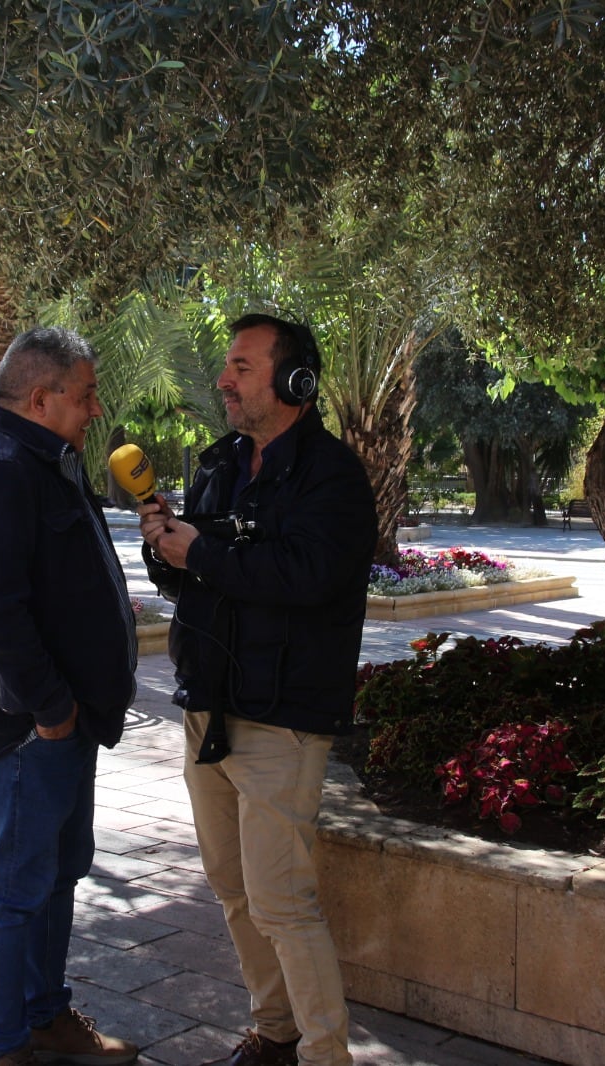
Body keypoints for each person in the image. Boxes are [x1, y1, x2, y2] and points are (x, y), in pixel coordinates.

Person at [138, 314, 375, 1066]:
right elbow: (200, 578)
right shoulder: (219, 463)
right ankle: (275, 1036)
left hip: (282, 716)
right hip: (209, 705)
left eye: (241, 365)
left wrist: (203, 552)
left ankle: (324, 1054)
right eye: (227, 365)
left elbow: (306, 577)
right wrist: (169, 549)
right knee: (233, 890)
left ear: (294, 382)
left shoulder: (333, 476)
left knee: (280, 900)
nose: (224, 380)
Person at [0, 327, 141, 1066]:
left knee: (57, 874)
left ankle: (45, 1019)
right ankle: (5, 1048)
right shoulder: (1, 473)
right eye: (85, 395)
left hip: (67, 724)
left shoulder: (43, 462)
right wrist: (51, 709)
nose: (95, 410)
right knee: (15, 890)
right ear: (40, 397)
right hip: (32, 732)